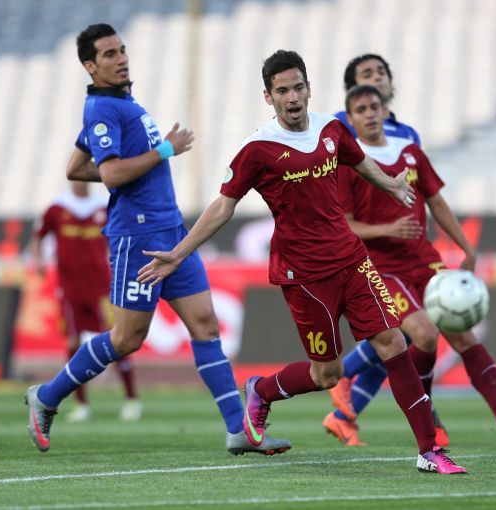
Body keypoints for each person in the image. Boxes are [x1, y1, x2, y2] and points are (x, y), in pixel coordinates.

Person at [137, 50, 467, 474]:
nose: (292, 97)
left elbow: (359, 161)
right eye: (282, 91)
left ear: (309, 88)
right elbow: (222, 207)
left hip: (353, 260)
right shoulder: (257, 149)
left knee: (394, 343)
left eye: (297, 87)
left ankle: (428, 450)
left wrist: (390, 184)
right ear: (268, 97)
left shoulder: (332, 129)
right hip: (305, 275)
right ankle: (262, 390)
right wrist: (179, 253)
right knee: (327, 374)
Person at [24, 23, 290, 457]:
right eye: (109, 54)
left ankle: (238, 429)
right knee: (127, 339)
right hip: (138, 236)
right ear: (90, 66)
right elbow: (111, 173)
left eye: (122, 50)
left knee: (205, 325)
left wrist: (136, 164)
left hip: (171, 232)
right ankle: (47, 396)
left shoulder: (120, 103)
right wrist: (164, 151)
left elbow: (76, 167)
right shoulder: (103, 109)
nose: (121, 58)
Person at [323, 84, 496, 449]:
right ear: (351, 119)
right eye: (361, 109)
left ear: (386, 110)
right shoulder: (349, 164)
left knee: (463, 334)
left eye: (374, 106)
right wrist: (387, 229)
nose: (370, 114)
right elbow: (343, 224)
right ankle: (424, 416)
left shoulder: (410, 152)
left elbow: (436, 202)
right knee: (424, 335)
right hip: (380, 269)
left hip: (424, 261)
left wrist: (466, 247)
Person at [330, 53, 450, 445]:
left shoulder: (407, 134)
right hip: (367, 255)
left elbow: (420, 190)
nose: (376, 79)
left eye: (381, 72)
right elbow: (341, 205)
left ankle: (342, 416)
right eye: (366, 75)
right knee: (403, 335)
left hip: (410, 255)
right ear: (351, 93)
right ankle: (346, 378)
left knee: (401, 340)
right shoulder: (340, 134)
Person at [31, 180, 141, 422]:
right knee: (73, 343)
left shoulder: (102, 206)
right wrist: (38, 260)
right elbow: (39, 236)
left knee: (119, 340)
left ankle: (131, 399)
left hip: (102, 288)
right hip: (69, 290)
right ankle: (81, 404)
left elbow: (125, 232)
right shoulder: (57, 208)